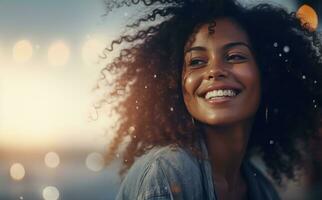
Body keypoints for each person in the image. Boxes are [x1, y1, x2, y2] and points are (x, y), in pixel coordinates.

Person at [99, 0, 322, 199]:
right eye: (196, 62)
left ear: (268, 74)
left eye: (235, 56)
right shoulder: (167, 174)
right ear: (176, 85)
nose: (214, 71)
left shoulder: (264, 191)